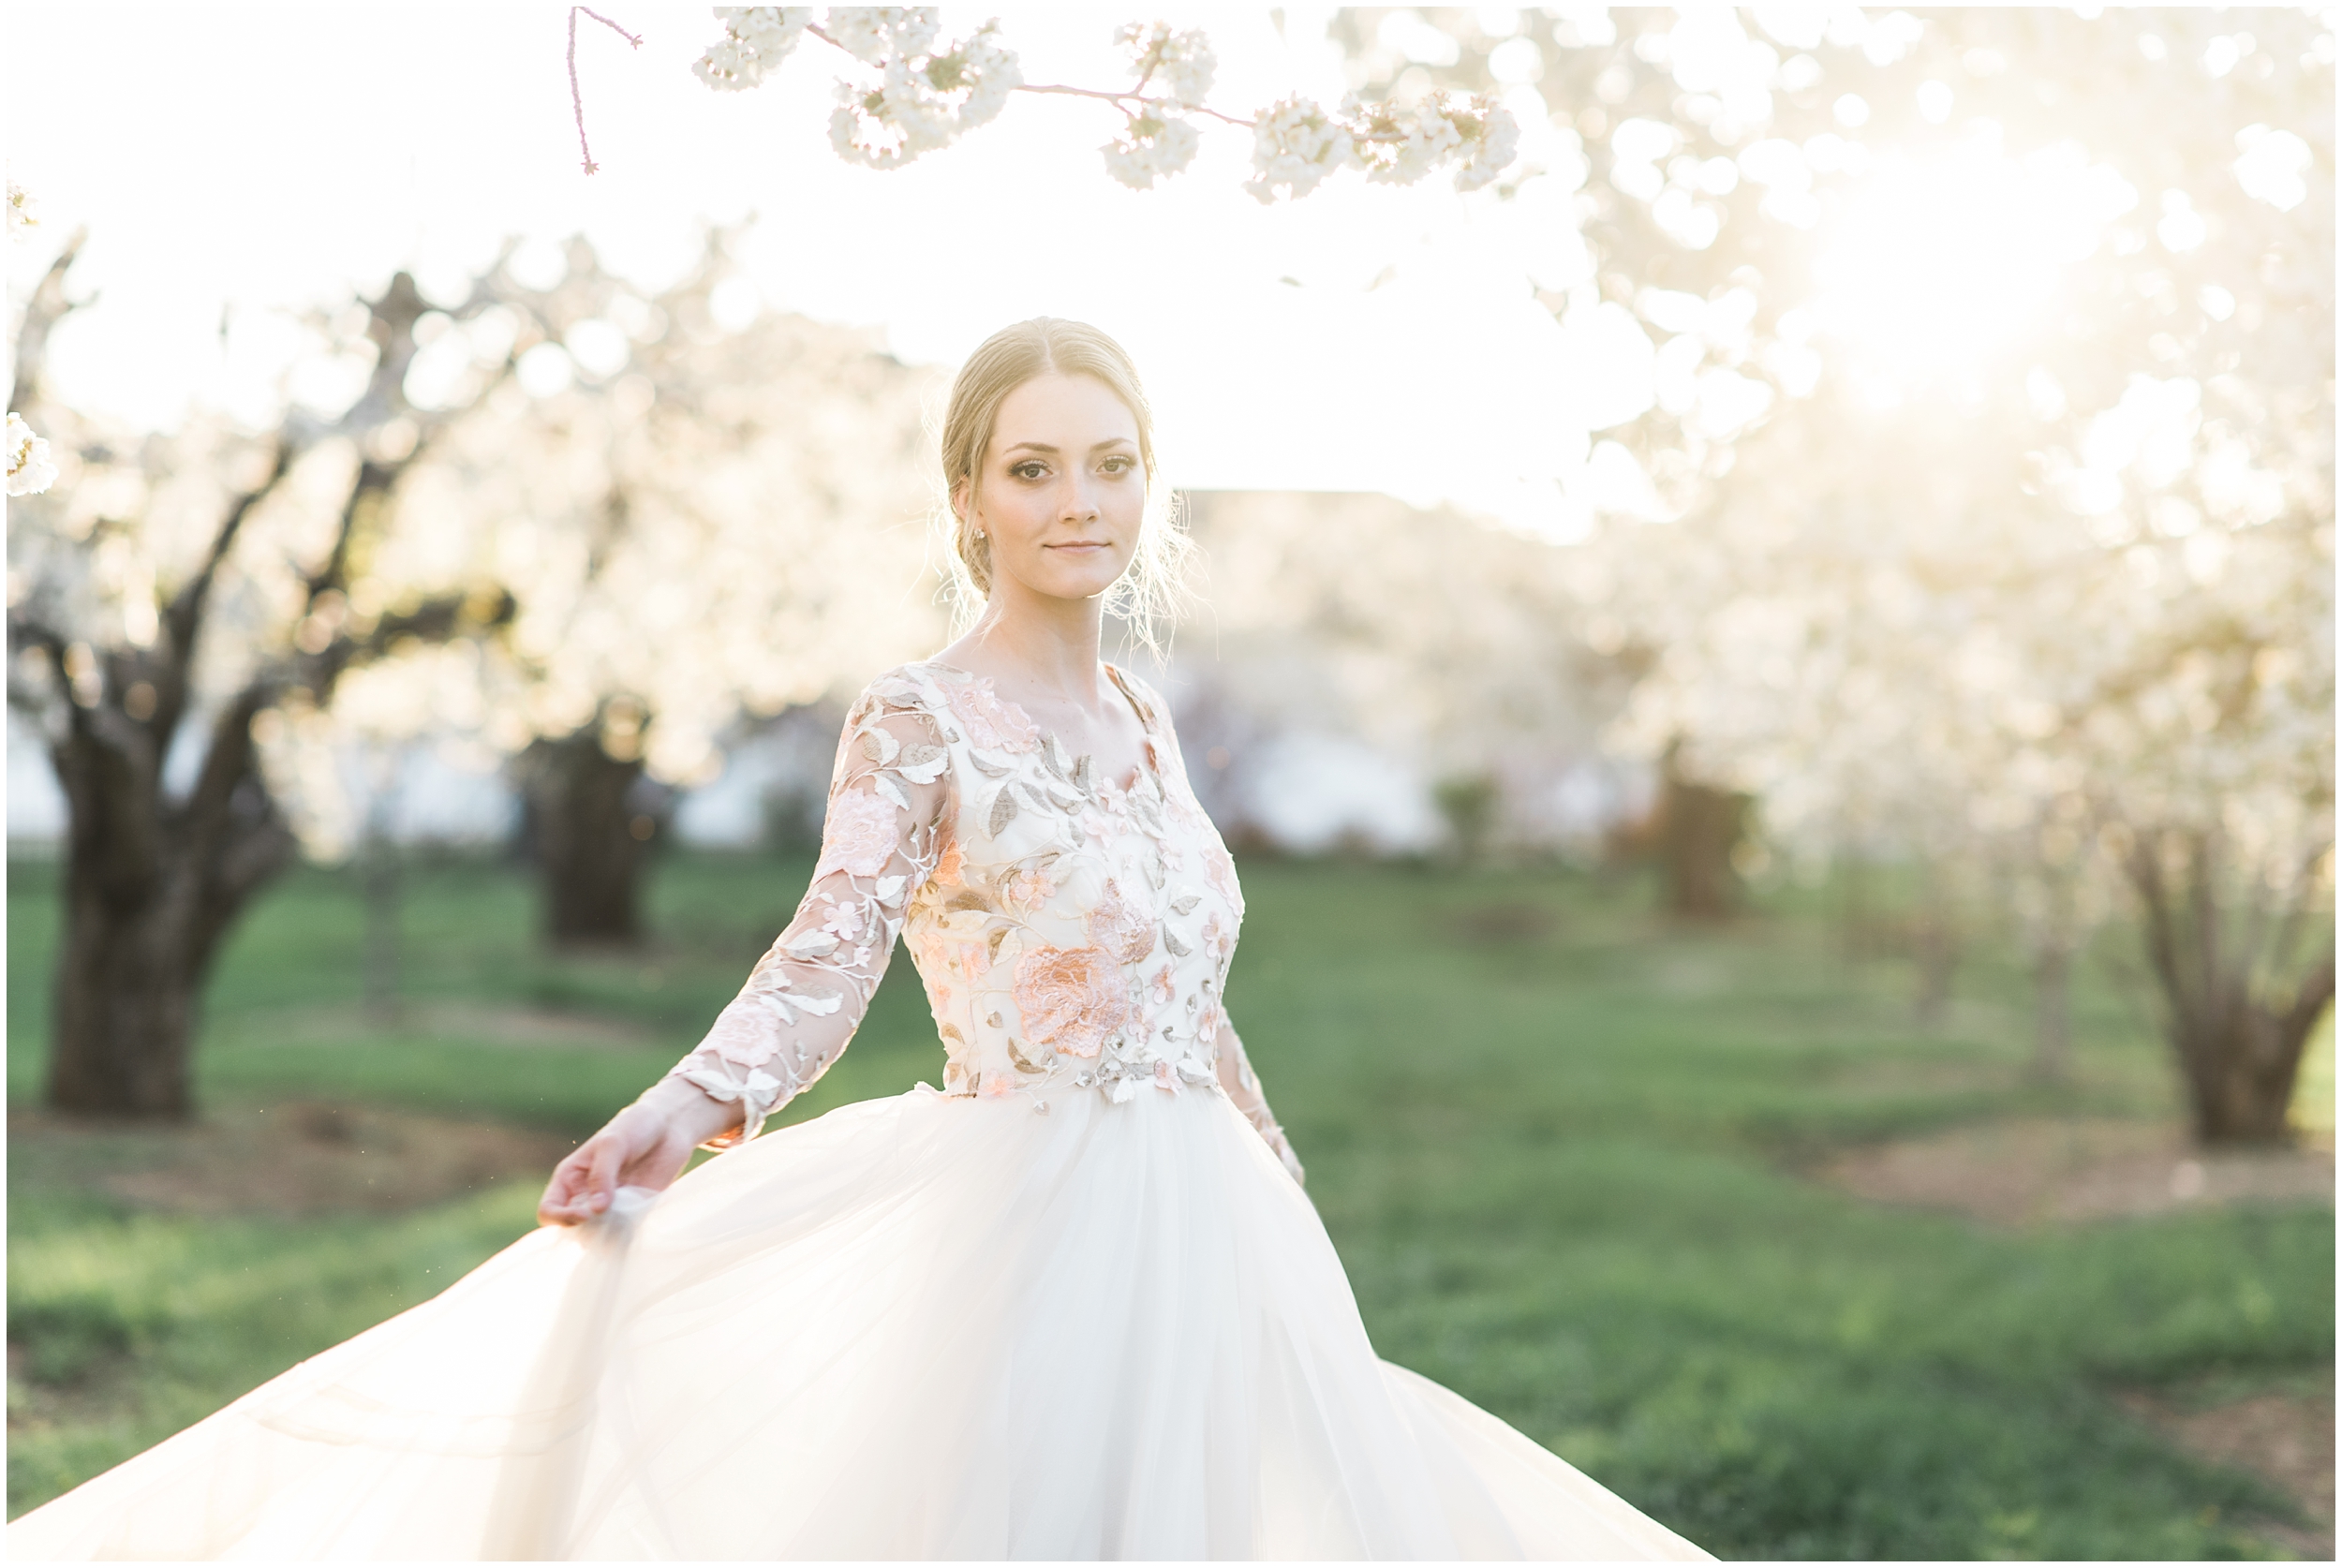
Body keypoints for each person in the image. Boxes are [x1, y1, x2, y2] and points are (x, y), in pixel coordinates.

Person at [8, 318, 1709, 1561]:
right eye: (1033, 468)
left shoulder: (1145, 715)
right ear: (967, 497)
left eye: (1110, 465)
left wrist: (1281, 1195)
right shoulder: (920, 717)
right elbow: (830, 946)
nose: (1078, 501)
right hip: (1030, 1230)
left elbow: (1186, 999)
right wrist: (691, 1100)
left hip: (1213, 1228)